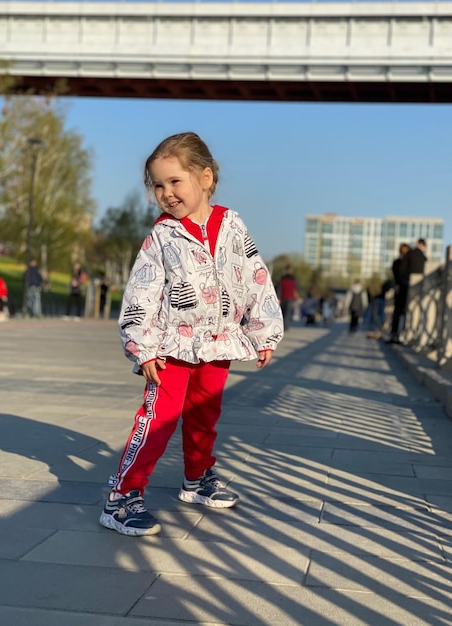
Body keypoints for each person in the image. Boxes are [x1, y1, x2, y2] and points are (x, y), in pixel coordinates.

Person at [99, 132, 284, 537]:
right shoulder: (162, 237)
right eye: (158, 185)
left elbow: (255, 277)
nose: (166, 193)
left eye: (174, 182)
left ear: (205, 177)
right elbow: (142, 291)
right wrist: (142, 347)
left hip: (219, 343)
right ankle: (123, 497)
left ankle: (197, 478)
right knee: (159, 419)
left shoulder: (232, 225)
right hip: (171, 347)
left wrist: (263, 331)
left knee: (205, 415)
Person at [387, 242, 411, 344]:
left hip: (399, 289)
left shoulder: (396, 262)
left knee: (397, 313)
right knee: (403, 313)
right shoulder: (407, 263)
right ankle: (401, 335)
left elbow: (395, 276)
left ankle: (394, 334)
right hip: (406, 290)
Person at [276, 265, 298, 330]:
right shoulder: (293, 279)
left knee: (283, 312)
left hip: (283, 297)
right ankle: (285, 325)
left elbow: (279, 288)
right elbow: (295, 289)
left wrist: (278, 297)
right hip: (289, 297)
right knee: (287, 312)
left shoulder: (282, 278)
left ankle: (283, 325)